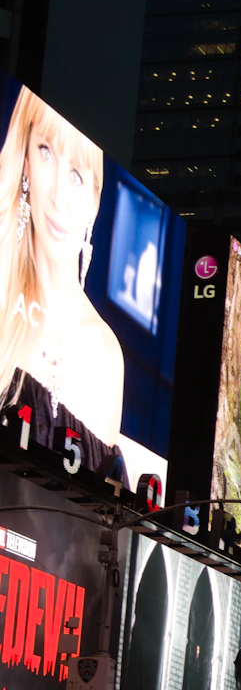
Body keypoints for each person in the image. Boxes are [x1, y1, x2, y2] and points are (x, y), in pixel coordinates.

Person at [0, 86, 124, 465]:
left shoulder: (107, 359)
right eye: (46, 152)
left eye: (76, 175)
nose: (58, 196)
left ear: (94, 202)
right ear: (25, 159)